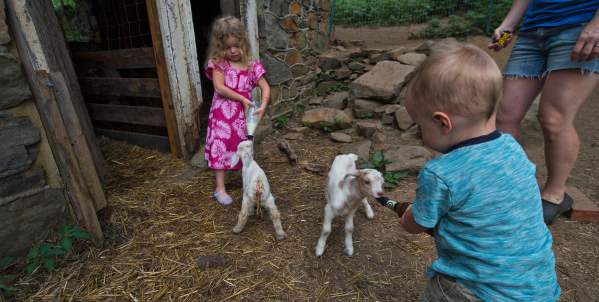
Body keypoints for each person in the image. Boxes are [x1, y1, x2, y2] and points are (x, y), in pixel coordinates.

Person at [377, 45, 560, 301]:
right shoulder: (512, 149)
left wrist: (407, 217)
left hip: (476, 290)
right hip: (537, 285)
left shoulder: (441, 173)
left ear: (443, 122)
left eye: (420, 127)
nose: (420, 135)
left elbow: (417, 223)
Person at [488, 0, 599, 224]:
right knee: (504, 116)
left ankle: (555, 195)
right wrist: (508, 24)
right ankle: (510, 185)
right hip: (531, 32)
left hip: (580, 25)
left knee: (554, 118)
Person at [204, 16, 270, 205]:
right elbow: (219, 87)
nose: (232, 51)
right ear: (220, 46)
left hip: (242, 116)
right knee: (221, 145)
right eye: (227, 47)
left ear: (243, 42)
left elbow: (265, 87)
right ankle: (220, 189)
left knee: (244, 147)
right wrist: (242, 98)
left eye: (236, 45)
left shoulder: (252, 64)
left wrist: (263, 105)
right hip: (222, 113)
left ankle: (248, 183)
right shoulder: (219, 62)